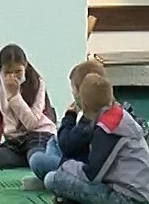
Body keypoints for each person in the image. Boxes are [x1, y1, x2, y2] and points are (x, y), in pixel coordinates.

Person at [43, 74, 149, 204]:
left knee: (52, 179)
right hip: (139, 193)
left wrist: (66, 165)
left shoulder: (106, 131)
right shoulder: (119, 115)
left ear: (84, 105)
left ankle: (84, 203)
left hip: (127, 199)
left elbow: (92, 176)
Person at [0, 45, 57, 171]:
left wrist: (14, 96)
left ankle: (37, 157)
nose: (13, 77)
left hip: (38, 133)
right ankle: (31, 159)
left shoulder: (37, 82)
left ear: (25, 66)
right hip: (15, 139)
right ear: (1, 70)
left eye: (18, 71)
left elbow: (31, 123)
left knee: (36, 157)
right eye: (7, 72)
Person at [25, 60, 105, 189]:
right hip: (78, 156)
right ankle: (52, 174)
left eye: (73, 90)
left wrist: (69, 116)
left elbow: (67, 144)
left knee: (37, 160)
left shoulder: (90, 119)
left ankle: (53, 176)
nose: (72, 94)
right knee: (53, 141)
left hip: (83, 167)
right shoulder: (99, 110)